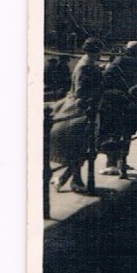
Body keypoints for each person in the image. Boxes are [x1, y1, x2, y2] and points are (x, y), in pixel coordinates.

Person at [49, 38, 105, 193]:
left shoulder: (87, 64)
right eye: (99, 51)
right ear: (94, 51)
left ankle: (67, 179)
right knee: (81, 148)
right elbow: (80, 91)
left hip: (83, 109)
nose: (100, 54)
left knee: (83, 148)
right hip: (79, 111)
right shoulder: (85, 66)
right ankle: (75, 180)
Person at [98, 41, 137, 176]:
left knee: (115, 132)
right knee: (127, 133)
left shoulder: (119, 61)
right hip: (134, 104)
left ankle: (112, 163)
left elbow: (106, 76)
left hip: (118, 103)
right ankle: (122, 161)